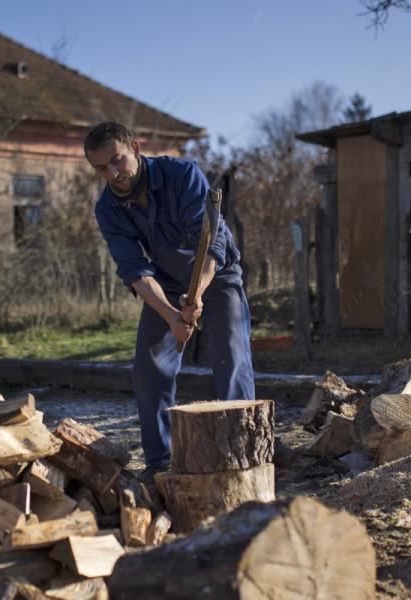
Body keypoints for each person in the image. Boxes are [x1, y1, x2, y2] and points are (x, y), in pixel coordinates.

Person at [84, 122, 256, 478]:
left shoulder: (181, 175)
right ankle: (160, 461)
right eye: (101, 168)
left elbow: (211, 242)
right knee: (149, 364)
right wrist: (171, 317)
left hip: (216, 271)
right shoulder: (107, 210)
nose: (113, 174)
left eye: (117, 160)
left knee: (230, 352)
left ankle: (245, 454)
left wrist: (198, 293)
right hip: (163, 279)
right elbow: (135, 271)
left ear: (134, 146)